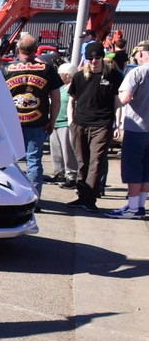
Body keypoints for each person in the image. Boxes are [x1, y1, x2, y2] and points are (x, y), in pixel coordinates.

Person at [66, 40, 124, 212]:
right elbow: (71, 101)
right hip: (80, 124)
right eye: (90, 58)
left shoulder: (114, 76)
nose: (93, 61)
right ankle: (81, 195)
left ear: (102, 57)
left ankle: (90, 198)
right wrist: (70, 122)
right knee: (82, 162)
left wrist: (118, 124)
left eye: (97, 58)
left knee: (96, 162)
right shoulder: (79, 76)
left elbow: (118, 102)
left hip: (102, 124)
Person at [2, 33, 62, 197]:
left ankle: (11, 197)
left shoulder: (6, 69)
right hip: (37, 122)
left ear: (18, 49)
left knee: (9, 162)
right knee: (34, 160)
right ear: (36, 50)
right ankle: (34, 198)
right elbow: (56, 100)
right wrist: (52, 121)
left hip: (12, 123)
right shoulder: (47, 70)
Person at [106, 40, 149, 219]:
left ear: (141, 53)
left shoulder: (137, 72)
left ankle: (132, 208)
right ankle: (140, 206)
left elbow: (124, 98)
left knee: (133, 169)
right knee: (146, 169)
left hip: (137, 128)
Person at [48, 63, 78, 188]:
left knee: (67, 150)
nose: (59, 76)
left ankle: (71, 175)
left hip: (66, 122)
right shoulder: (60, 87)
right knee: (55, 150)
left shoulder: (74, 88)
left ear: (67, 74)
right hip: (55, 121)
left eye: (61, 74)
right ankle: (59, 173)